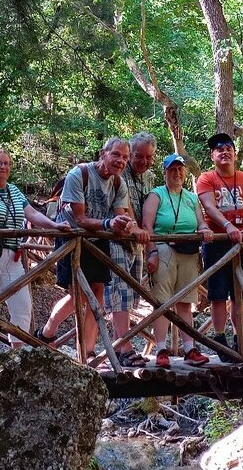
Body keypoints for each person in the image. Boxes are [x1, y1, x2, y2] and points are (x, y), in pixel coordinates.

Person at [34, 138, 149, 360]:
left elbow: (119, 214)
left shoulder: (118, 183)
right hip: (73, 238)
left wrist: (131, 227)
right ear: (102, 153)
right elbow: (80, 218)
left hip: (98, 242)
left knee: (97, 297)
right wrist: (109, 224)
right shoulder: (79, 174)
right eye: (116, 155)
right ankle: (47, 332)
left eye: (125, 157)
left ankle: (86, 352)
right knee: (78, 296)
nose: (121, 161)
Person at [0, 149, 70, 364]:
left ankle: (17, 356)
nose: (3, 166)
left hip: (12, 256)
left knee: (22, 305)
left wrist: (55, 225)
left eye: (7, 163)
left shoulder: (14, 191)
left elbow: (32, 214)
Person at [142, 154, 214, 368]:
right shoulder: (156, 195)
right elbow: (147, 225)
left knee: (186, 300)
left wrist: (205, 230)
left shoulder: (192, 198)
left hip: (189, 251)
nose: (177, 173)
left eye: (180, 169)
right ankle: (162, 348)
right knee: (162, 302)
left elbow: (200, 222)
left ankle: (190, 348)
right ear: (165, 172)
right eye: (172, 169)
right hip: (164, 249)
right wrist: (152, 252)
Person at [197, 132, 243, 361]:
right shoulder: (206, 179)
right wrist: (226, 226)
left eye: (228, 148)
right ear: (213, 155)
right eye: (219, 149)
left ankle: (239, 336)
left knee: (240, 294)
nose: (224, 152)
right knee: (217, 293)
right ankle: (220, 337)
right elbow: (209, 206)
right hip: (217, 243)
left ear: (235, 153)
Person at [104, 132, 156, 368]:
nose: (143, 161)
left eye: (148, 157)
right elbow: (119, 209)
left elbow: (149, 215)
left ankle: (118, 345)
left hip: (137, 243)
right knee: (119, 295)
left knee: (129, 296)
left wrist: (151, 248)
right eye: (138, 156)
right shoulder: (118, 173)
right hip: (116, 239)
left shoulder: (149, 178)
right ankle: (124, 347)